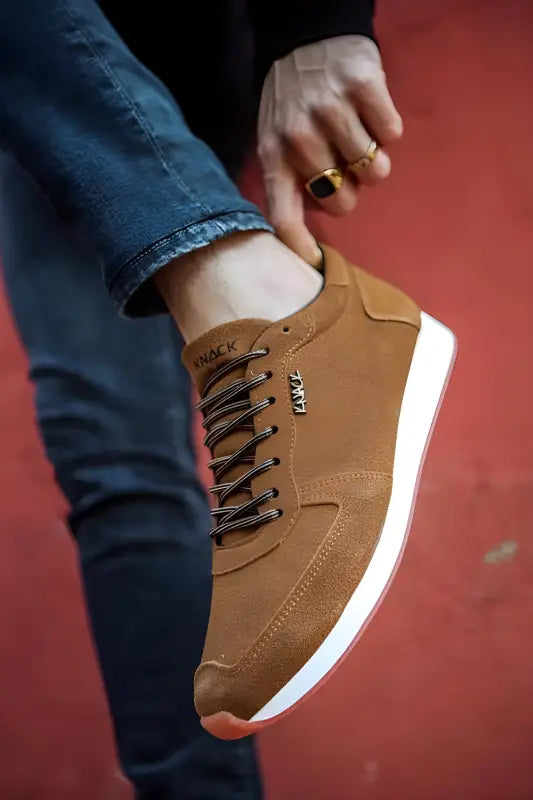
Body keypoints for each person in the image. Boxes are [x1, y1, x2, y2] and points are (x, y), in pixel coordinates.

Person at [0, 0, 455, 795]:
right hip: (34, 107)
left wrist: (314, 19)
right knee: (112, 467)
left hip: (184, 38)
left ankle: (258, 298)